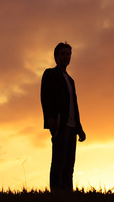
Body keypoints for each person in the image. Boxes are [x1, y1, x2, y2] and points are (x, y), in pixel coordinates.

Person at [40, 42, 86, 193]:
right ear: (56, 57)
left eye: (68, 54)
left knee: (69, 164)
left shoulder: (70, 80)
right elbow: (45, 97)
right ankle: (56, 193)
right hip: (60, 123)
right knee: (59, 161)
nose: (66, 57)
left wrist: (80, 128)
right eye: (62, 54)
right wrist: (50, 118)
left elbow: (74, 105)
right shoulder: (50, 74)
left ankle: (67, 193)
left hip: (72, 127)